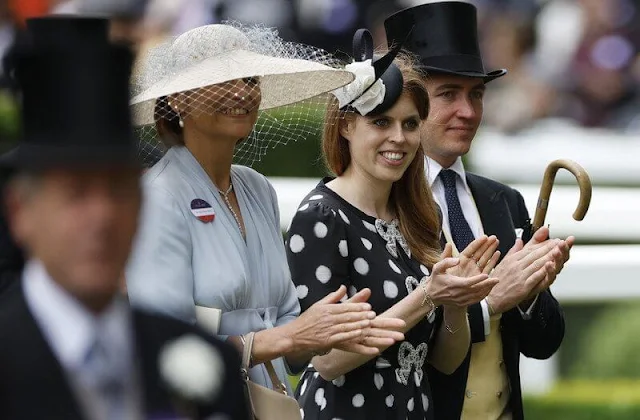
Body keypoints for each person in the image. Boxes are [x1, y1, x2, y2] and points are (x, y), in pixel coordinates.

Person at [125, 22, 407, 394]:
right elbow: (165, 340)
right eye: (224, 80)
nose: (242, 91)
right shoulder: (158, 198)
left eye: (250, 80)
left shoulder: (257, 189)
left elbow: (289, 325)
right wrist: (289, 337)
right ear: (179, 99)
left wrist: (337, 327)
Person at [0, 16, 246, 420]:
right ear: (20, 212)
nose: (102, 217)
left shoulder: (206, 367)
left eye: (119, 190)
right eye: (75, 194)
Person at [285, 28, 502, 420]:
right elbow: (328, 360)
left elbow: (446, 362)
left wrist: (456, 303)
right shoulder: (321, 218)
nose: (398, 138)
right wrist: (428, 296)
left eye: (410, 124)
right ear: (347, 125)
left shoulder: (421, 214)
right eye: (381, 122)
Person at [384, 2, 572, 419]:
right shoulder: (381, 204)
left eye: (477, 94)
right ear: (410, 102)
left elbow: (544, 344)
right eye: (448, 94)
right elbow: (390, 344)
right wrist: (492, 302)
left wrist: (531, 291)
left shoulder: (503, 201)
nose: (468, 112)